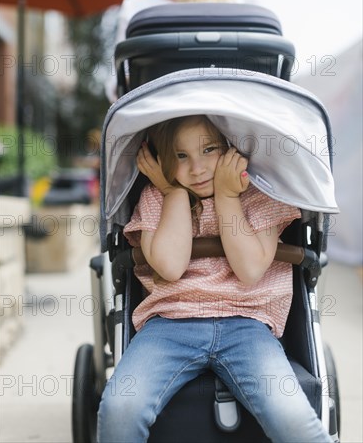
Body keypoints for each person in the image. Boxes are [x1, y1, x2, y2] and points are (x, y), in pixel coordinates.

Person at [97, 115, 333, 443]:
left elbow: (250, 270)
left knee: (291, 415)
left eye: (209, 149)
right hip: (169, 325)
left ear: (235, 147)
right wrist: (171, 192)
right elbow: (170, 266)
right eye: (181, 156)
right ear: (162, 158)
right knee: (120, 409)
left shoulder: (261, 196)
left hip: (247, 324)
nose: (197, 168)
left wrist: (227, 197)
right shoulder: (155, 198)